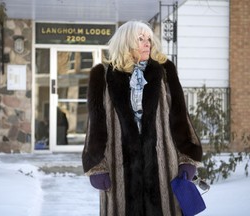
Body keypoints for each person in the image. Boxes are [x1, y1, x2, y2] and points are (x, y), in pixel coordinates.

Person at [82, 20, 203, 216]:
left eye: (148, 39)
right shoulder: (102, 76)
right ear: (125, 42)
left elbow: (180, 116)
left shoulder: (164, 72)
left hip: (164, 169)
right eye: (140, 39)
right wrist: (96, 166)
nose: (147, 43)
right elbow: (95, 125)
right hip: (119, 170)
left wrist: (187, 158)